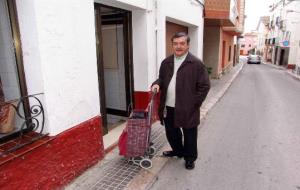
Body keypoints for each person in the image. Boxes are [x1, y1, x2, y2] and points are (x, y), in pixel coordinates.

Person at [151, 32, 210, 170]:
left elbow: (205, 86)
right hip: (168, 106)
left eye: (182, 43)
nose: (178, 46)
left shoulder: (195, 63)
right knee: (171, 133)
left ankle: (190, 158)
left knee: (189, 134)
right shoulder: (166, 62)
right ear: (172, 45)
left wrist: (194, 103)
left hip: (187, 108)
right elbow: (161, 78)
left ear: (188, 45)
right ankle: (178, 151)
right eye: (175, 43)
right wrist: (157, 83)